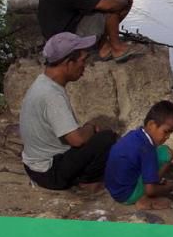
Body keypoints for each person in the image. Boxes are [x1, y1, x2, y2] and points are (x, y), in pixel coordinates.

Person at [20, 32, 118, 191]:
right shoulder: (52, 95)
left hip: (33, 167)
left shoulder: (42, 82)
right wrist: (90, 127)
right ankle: (87, 181)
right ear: (68, 63)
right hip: (49, 173)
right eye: (82, 60)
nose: (84, 65)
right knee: (106, 138)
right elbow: (77, 140)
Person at [105, 101, 173, 210]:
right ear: (151, 125)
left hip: (113, 188)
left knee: (162, 151)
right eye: (166, 132)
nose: (168, 137)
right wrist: (167, 188)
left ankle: (150, 181)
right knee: (167, 155)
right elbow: (150, 190)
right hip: (126, 196)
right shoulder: (147, 149)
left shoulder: (135, 134)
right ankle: (144, 199)